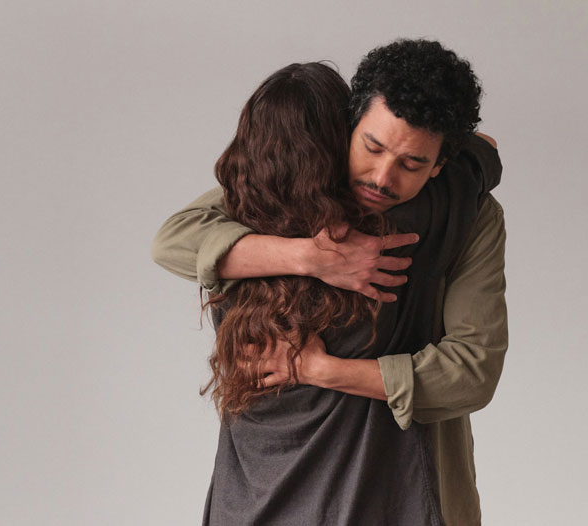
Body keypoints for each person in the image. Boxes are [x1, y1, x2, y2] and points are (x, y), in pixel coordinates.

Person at [153, 39, 507, 526]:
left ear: (440, 165)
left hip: (398, 494)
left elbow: (471, 371)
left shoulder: (465, 217)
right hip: (264, 490)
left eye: (412, 164)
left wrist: (319, 368)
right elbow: (172, 240)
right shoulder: (282, 190)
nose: (383, 177)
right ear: (346, 128)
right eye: (372, 147)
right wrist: (311, 257)